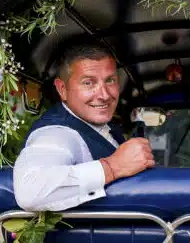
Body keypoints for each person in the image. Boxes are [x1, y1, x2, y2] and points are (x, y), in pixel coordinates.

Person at [13, 43, 155, 211]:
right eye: (88, 83)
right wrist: (112, 167)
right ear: (62, 89)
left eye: (110, 80)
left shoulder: (107, 126)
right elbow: (30, 193)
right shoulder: (55, 134)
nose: (104, 95)